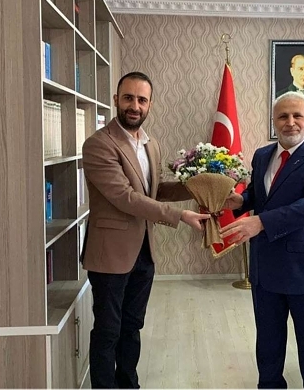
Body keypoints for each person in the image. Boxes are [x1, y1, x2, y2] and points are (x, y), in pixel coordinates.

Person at [81, 71, 210, 388]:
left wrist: (202, 187)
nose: (134, 106)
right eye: (128, 98)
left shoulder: (151, 145)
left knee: (132, 325)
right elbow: (125, 197)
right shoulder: (98, 144)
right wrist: (180, 215)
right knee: (108, 329)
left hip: (143, 252)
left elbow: (154, 191)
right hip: (110, 254)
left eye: (142, 99)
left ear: (150, 104)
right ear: (116, 100)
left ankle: (129, 383)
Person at [220, 92, 304, 388]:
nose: (290, 122)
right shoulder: (262, 155)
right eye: (283, 116)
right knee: (268, 346)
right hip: (265, 267)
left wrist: (261, 221)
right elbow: (260, 195)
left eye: (297, 116)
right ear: (274, 121)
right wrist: (241, 200)